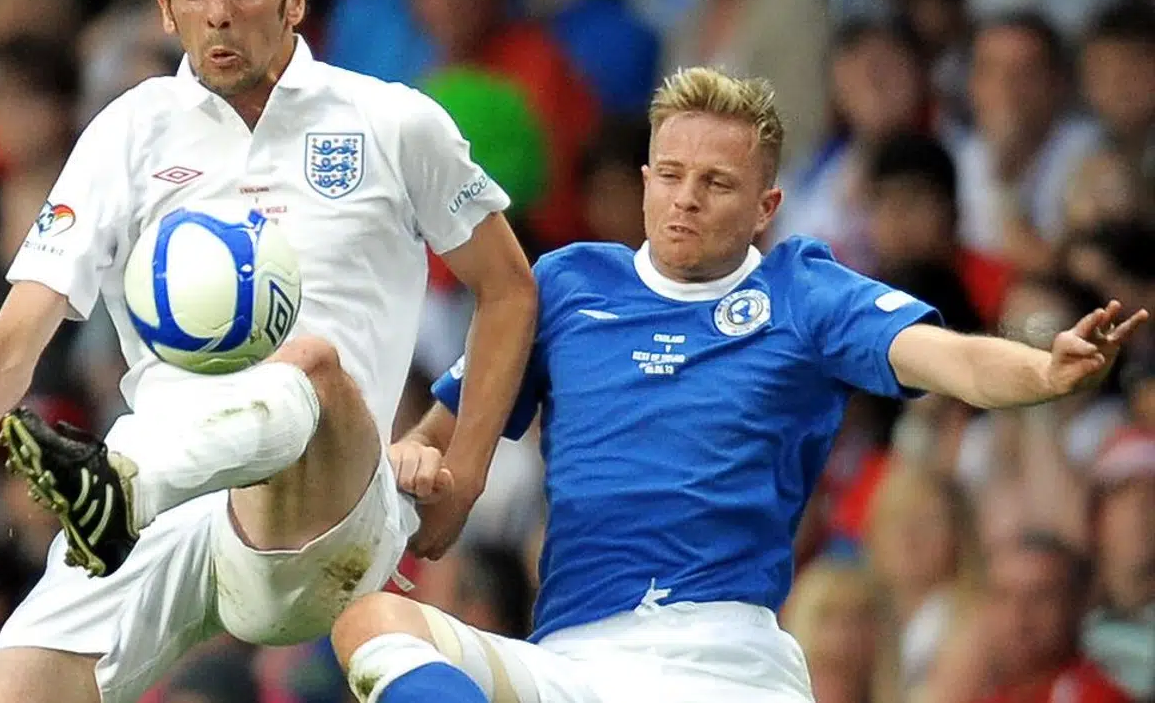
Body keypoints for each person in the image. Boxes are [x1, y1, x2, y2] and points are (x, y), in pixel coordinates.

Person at [0, 0, 538, 703]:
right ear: (164, 6)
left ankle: (122, 487)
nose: (218, 13)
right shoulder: (128, 133)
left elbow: (507, 290)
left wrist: (463, 477)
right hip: (160, 501)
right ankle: (125, 494)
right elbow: (13, 343)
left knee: (310, 363)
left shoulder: (392, 123)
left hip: (318, 510)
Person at [328, 67, 1148, 703]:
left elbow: (954, 359)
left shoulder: (805, 293)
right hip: (573, 661)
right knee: (372, 626)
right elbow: (433, 442)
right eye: (671, 175)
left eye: (716, 184)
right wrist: (410, 465)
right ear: (645, 177)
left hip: (724, 660)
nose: (685, 199)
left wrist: (1043, 369)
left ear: (766, 206)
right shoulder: (567, 287)